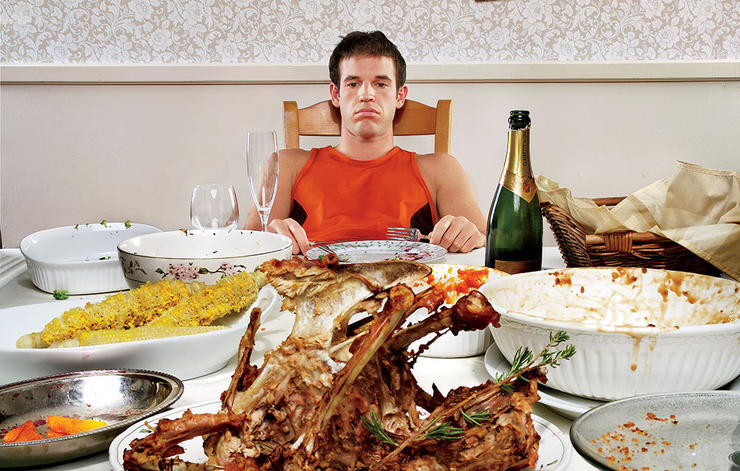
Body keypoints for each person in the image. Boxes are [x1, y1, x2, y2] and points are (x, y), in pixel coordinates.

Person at [246, 31, 486, 254]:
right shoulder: (286, 165)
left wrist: (470, 235)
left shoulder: (441, 169)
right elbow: (249, 246)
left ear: (400, 96)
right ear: (336, 95)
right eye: (353, 84)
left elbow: (484, 242)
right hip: (312, 283)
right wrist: (270, 237)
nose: (366, 95)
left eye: (381, 84)